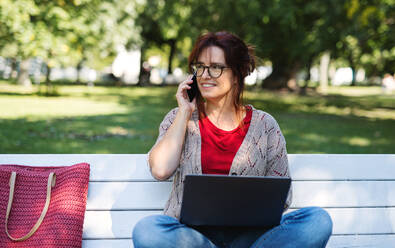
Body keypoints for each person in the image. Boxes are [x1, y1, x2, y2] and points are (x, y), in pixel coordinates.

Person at [133, 31, 333, 248]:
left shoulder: (265, 126)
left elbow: (282, 198)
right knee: (147, 231)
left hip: (251, 238)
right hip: (194, 239)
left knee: (317, 221)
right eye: (200, 67)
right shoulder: (178, 118)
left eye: (216, 67)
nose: (205, 75)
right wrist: (184, 111)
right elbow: (160, 170)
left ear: (237, 73)